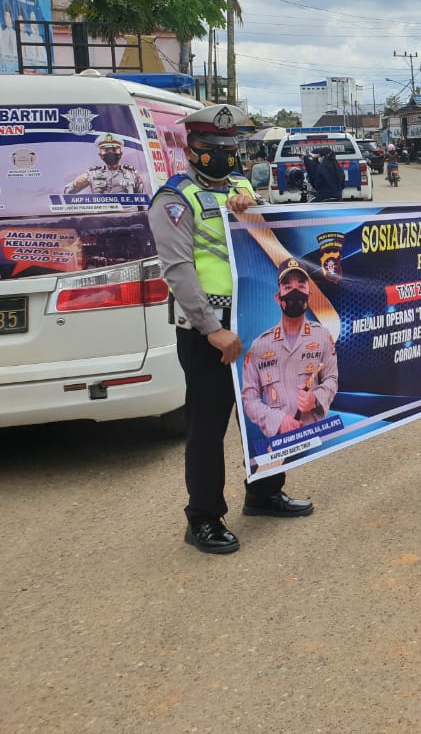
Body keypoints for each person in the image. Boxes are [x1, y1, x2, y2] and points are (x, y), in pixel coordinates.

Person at [148, 104, 314, 556]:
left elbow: (272, 237)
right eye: (210, 149)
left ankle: (264, 493)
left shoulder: (241, 187)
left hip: (256, 320)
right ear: (191, 148)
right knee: (208, 422)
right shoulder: (173, 199)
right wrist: (210, 328)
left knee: (266, 410)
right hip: (210, 329)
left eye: (229, 148)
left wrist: (253, 208)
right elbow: (178, 269)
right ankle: (202, 517)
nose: (221, 156)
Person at [241, 259, 339, 439]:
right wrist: (278, 421)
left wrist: (315, 399)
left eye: (301, 286)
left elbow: (331, 378)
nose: (295, 292)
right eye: (287, 287)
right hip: (278, 440)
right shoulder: (259, 346)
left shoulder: (323, 337)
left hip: (315, 436)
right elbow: (249, 397)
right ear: (278, 298)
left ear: (309, 295)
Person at [64, 132, 146, 195]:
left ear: (121, 153)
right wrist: (75, 184)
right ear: (101, 155)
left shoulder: (132, 173)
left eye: (114, 150)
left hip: (129, 214)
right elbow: (67, 191)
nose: (110, 153)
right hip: (101, 215)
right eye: (106, 151)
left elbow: (141, 198)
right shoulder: (92, 174)